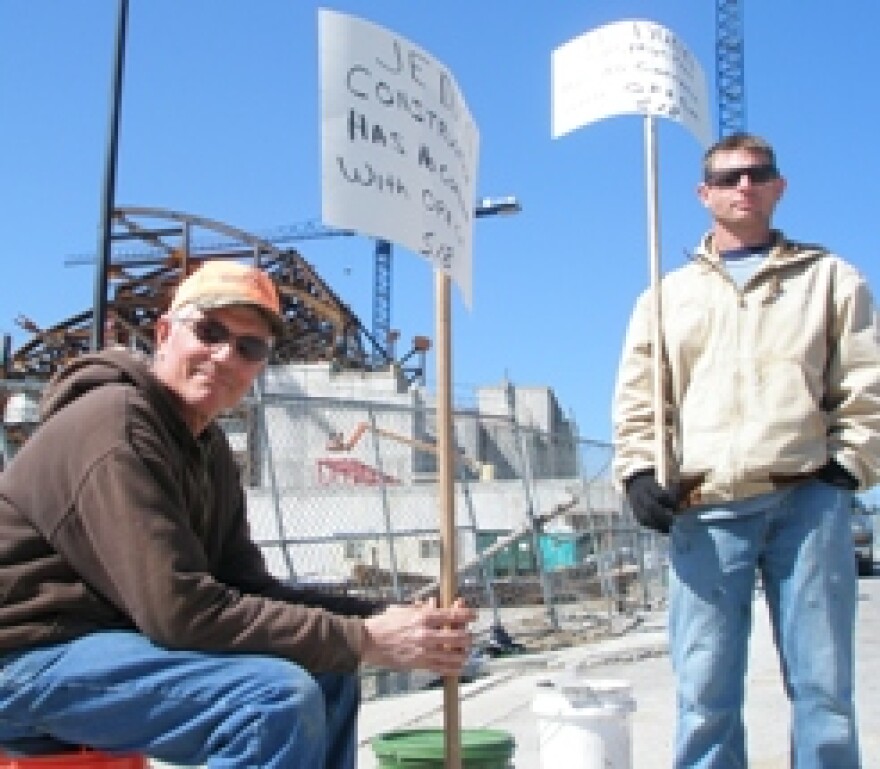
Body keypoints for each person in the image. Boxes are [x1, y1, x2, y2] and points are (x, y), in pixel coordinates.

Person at [0, 259, 477, 768]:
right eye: (209, 331)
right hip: (26, 659)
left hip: (104, 647)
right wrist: (363, 639)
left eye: (250, 348)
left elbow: (248, 589)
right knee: (273, 700)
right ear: (164, 333)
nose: (225, 356)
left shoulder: (206, 449)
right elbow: (180, 612)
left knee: (329, 673)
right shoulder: (115, 423)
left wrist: (386, 619)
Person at [613, 133, 880, 768]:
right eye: (728, 178)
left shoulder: (829, 279)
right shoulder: (666, 295)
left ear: (779, 187)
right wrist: (639, 470)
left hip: (806, 500)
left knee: (824, 688)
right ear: (703, 194)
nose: (744, 187)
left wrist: (848, 467)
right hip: (706, 504)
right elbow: (641, 396)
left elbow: (866, 381)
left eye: (758, 174)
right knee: (705, 688)